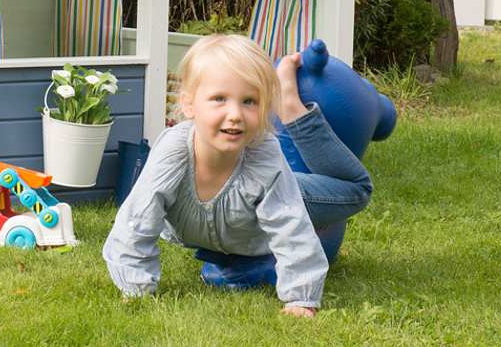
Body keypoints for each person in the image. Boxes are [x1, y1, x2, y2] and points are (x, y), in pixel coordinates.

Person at [103, 34, 373, 318]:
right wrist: (135, 287)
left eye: (249, 101)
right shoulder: (173, 151)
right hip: (233, 224)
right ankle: (236, 264)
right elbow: (136, 219)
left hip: (268, 193)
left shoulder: (264, 157)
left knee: (357, 190)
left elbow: (291, 225)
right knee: (236, 267)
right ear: (189, 104)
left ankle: (292, 109)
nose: (235, 114)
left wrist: (301, 298)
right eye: (219, 99)